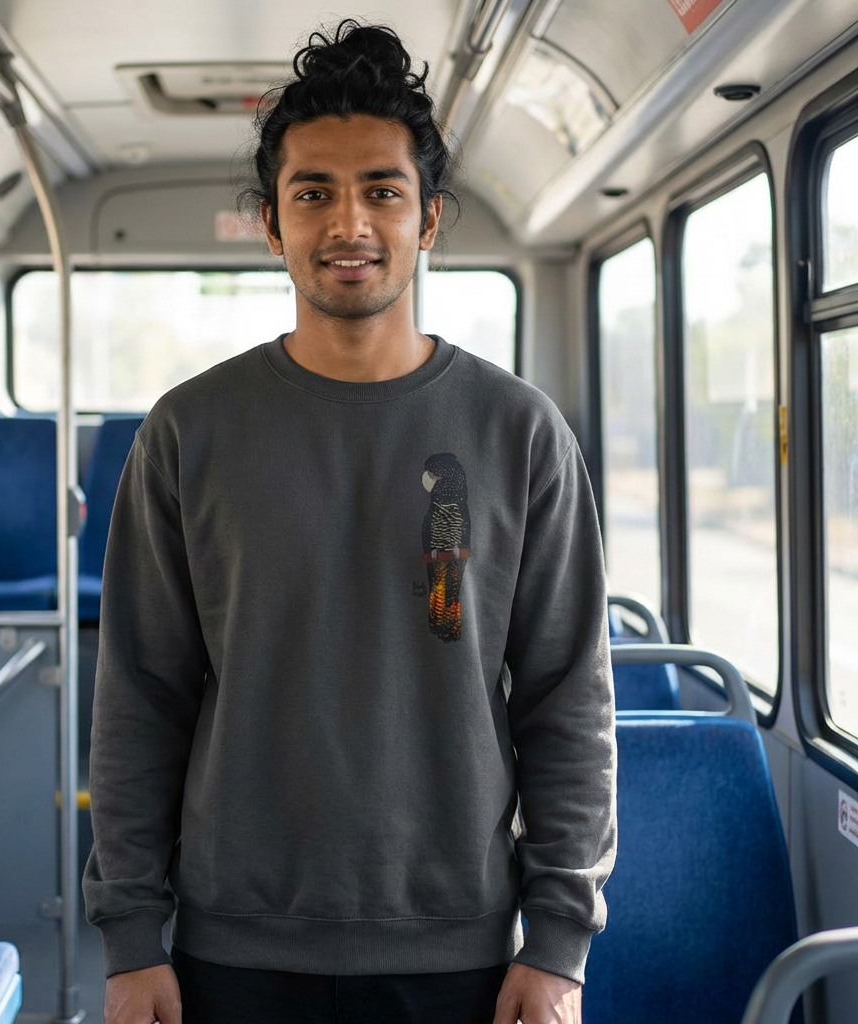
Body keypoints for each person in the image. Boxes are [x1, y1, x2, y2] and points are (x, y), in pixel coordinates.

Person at [83, 20, 616, 1024]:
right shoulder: (189, 432)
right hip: (229, 939)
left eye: (381, 190)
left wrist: (556, 944)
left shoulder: (519, 433)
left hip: (461, 941)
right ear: (273, 224)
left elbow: (566, 701)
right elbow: (140, 697)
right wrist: (127, 938)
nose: (349, 225)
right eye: (312, 193)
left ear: (430, 218)